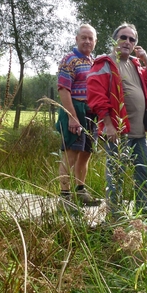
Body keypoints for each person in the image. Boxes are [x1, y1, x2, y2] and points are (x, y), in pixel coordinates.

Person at [86, 23, 147, 216]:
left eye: (132, 39)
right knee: (116, 175)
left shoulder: (136, 64)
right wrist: (109, 125)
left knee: (144, 171)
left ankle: (143, 210)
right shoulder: (104, 64)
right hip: (118, 133)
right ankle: (115, 215)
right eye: (123, 37)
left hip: (139, 132)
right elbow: (96, 97)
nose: (127, 42)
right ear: (114, 40)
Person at [56, 24, 101, 207]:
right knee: (70, 154)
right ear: (76, 39)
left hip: (91, 114)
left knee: (85, 154)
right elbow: (63, 89)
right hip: (75, 110)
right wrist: (73, 117)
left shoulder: (94, 62)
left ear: (95, 42)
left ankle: (80, 193)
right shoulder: (69, 59)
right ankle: (65, 198)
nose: (87, 41)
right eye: (83, 37)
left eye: (90, 38)